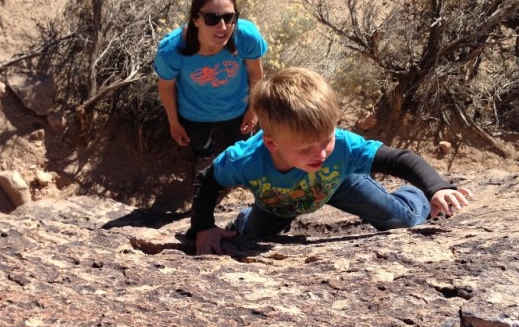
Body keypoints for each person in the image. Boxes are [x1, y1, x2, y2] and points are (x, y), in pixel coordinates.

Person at [188, 67, 474, 255]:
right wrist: (203, 228)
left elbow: (399, 159)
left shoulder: (343, 148)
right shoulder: (247, 160)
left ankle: (414, 197)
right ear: (271, 144)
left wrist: (434, 188)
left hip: (338, 183)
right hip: (276, 201)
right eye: (306, 148)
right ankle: (245, 218)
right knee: (251, 236)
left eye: (327, 139)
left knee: (402, 220)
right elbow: (208, 180)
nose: (321, 154)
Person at [154, 0, 267, 167]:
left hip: (237, 108)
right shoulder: (171, 50)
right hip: (194, 113)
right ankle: (206, 158)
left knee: (243, 145)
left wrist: (253, 110)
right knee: (200, 145)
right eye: (212, 18)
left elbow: (256, 72)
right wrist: (174, 122)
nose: (223, 27)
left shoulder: (247, 36)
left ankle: (239, 166)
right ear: (196, 19)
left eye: (229, 17)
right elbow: (166, 86)